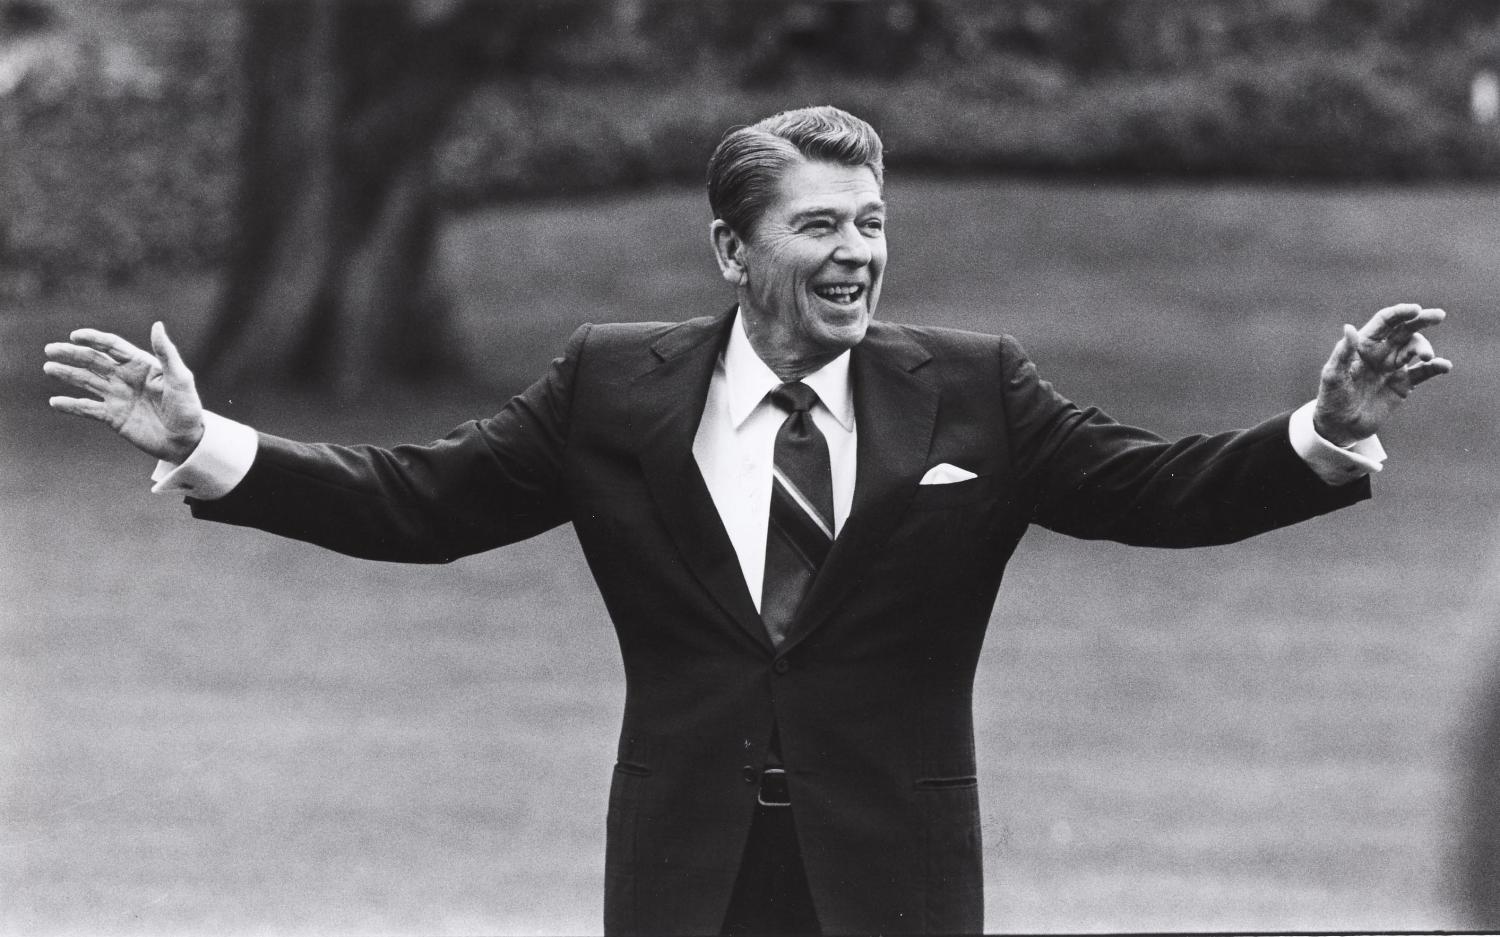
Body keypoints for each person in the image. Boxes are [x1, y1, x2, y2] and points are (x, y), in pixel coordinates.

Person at [43, 106, 1452, 935]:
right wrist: (210, 442)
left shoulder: (976, 391)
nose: (858, 254)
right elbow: (423, 503)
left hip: (892, 876)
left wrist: (1326, 431)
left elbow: (1162, 492)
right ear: (733, 249)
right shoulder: (609, 386)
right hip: (685, 876)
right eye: (820, 227)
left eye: (871, 223)